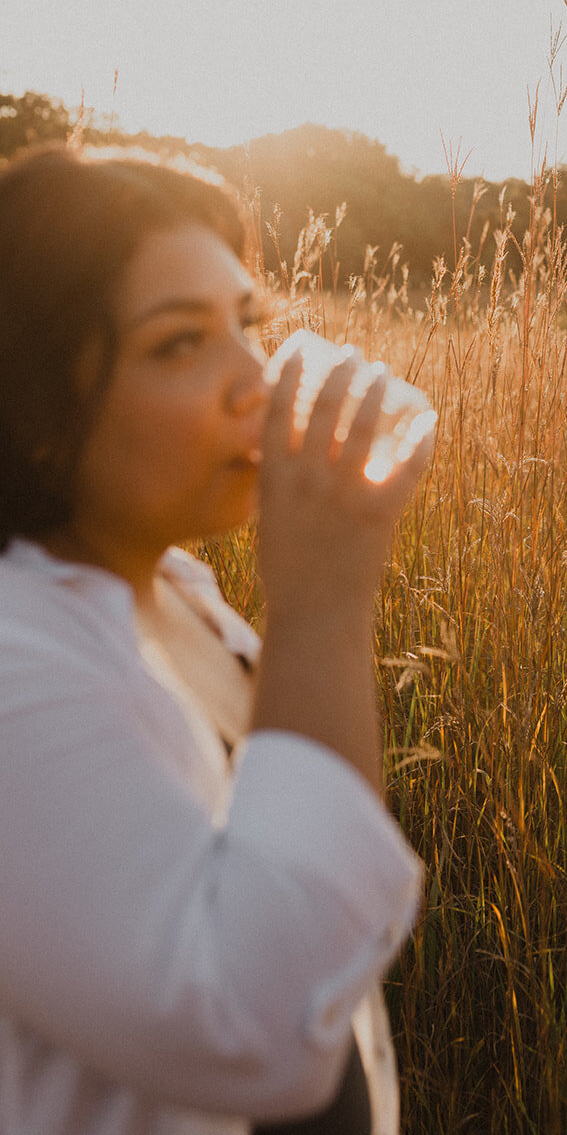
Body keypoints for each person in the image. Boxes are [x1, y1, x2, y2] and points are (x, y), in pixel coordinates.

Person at [0, 144, 434, 1135]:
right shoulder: (15, 658)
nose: (259, 380)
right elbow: (260, 1028)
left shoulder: (180, 589)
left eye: (248, 323)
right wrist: (323, 600)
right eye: (178, 345)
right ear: (34, 406)